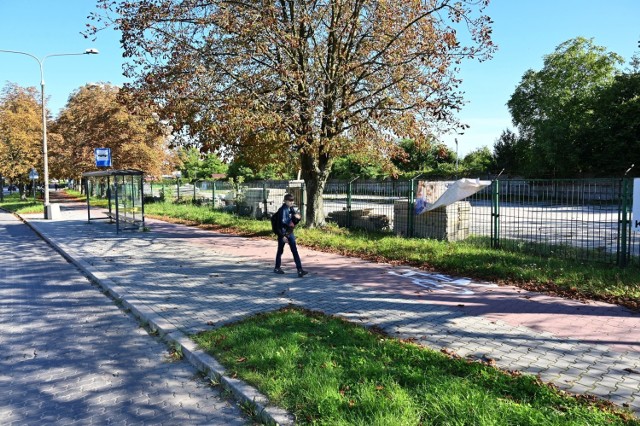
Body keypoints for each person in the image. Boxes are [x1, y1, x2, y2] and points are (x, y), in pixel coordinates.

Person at [274, 193, 308, 277]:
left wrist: (297, 218)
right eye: (290, 201)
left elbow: (293, 220)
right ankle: (277, 267)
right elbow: (281, 224)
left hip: (290, 232)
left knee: (294, 251)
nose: (291, 202)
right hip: (283, 233)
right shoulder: (282, 210)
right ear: (285, 201)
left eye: (292, 201)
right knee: (280, 251)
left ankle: (300, 270)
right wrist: (283, 236)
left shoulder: (291, 208)